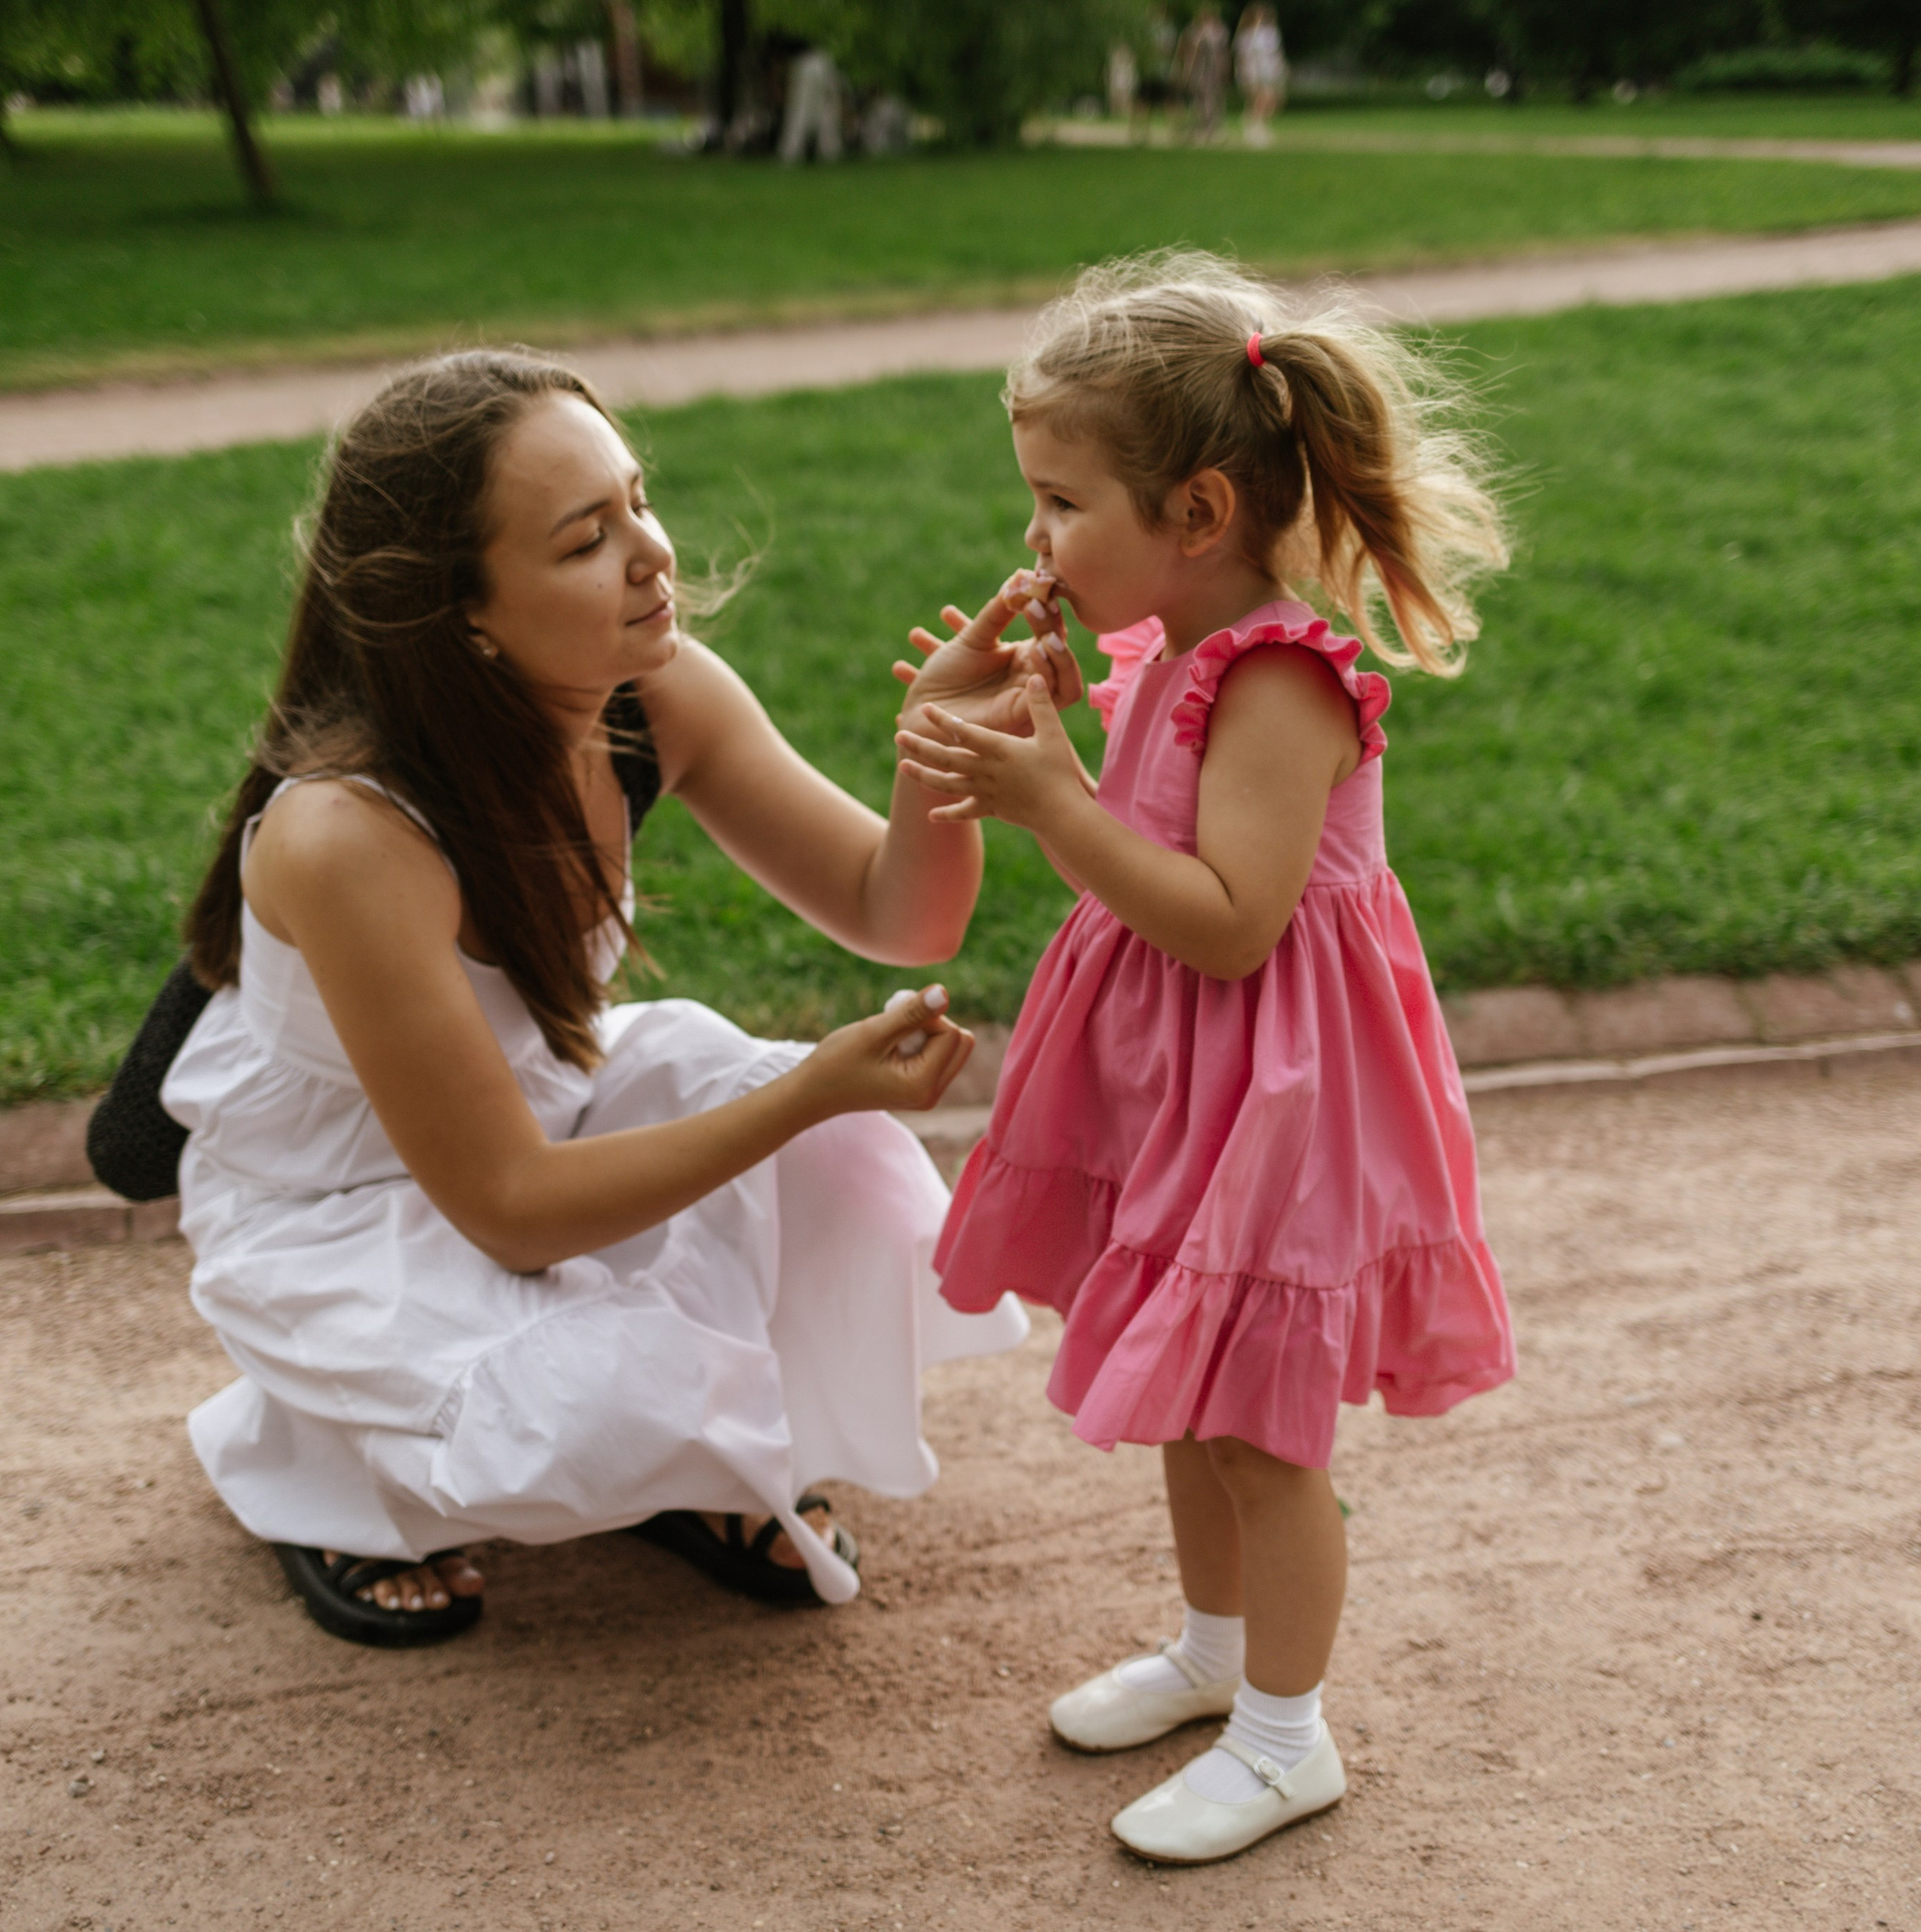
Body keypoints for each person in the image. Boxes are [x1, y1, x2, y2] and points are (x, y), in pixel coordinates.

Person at [162, 350, 1058, 1645]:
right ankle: (321, 1472)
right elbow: (513, 1212)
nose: (652, 553)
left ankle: (695, 1473)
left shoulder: (650, 694)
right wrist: (807, 1089)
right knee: (594, 1398)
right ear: (463, 611)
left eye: (638, 500)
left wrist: (935, 742)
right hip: (343, 1205)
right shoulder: (347, 834)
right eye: (589, 539)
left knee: (848, 1172)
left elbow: (896, 911)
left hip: (540, 1111)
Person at [894, 253, 1516, 1863]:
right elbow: (1135, 872)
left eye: (1056, 502)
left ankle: (1285, 1735)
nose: (1032, 540)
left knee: (1257, 1424)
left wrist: (1055, 803)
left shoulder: (1281, 676)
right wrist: (1020, 747)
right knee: (1187, 1388)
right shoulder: (1164, 644)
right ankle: (1213, 1650)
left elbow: (1234, 922)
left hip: (1283, 1098)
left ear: (1195, 510)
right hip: (1190, 1081)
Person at [1176, 5, 1230, 143]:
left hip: (1213, 72)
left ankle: (1211, 129)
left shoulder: (1219, 31)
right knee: (1201, 101)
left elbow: (1224, 54)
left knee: (1213, 100)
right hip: (1200, 71)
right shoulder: (1195, 32)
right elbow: (1189, 53)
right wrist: (1186, 71)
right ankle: (1202, 129)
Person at [1234, 5, 1287, 145]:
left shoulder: (1271, 33)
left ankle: (1256, 123)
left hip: (1268, 71)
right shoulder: (1246, 35)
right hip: (1253, 72)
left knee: (1271, 100)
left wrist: (1280, 68)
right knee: (1258, 100)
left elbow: (1276, 54)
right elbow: (1243, 56)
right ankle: (1255, 128)